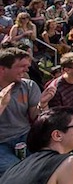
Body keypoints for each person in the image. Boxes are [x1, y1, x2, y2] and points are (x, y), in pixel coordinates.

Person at [0, 47, 57, 177]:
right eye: (22, 66)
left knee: (48, 164)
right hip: (1, 142)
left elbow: (36, 116)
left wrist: (42, 104)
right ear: (2, 69)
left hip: (24, 136)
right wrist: (2, 104)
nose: (27, 70)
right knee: (16, 172)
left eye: (28, 66)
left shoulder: (28, 86)